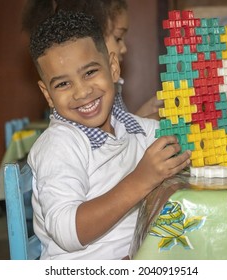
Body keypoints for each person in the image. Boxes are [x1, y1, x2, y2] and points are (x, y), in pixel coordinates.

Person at [27, 10, 191, 259]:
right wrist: (140, 180)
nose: (82, 92)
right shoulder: (58, 145)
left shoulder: (134, 128)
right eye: (62, 84)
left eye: (90, 72)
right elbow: (67, 232)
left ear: (113, 68)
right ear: (48, 94)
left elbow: (191, 143)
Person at [22, 0, 227, 118]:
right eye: (118, 38)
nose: (124, 48)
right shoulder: (86, 107)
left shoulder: (109, 92)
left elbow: (125, 136)